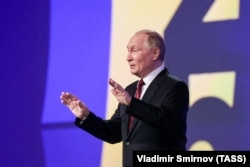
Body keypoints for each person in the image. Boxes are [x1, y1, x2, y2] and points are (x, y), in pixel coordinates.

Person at [60, 29, 189, 167]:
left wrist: (131, 103)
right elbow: (113, 133)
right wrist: (85, 116)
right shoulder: (131, 90)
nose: (128, 57)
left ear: (155, 53)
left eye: (134, 50)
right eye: (128, 51)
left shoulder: (175, 87)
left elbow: (169, 123)